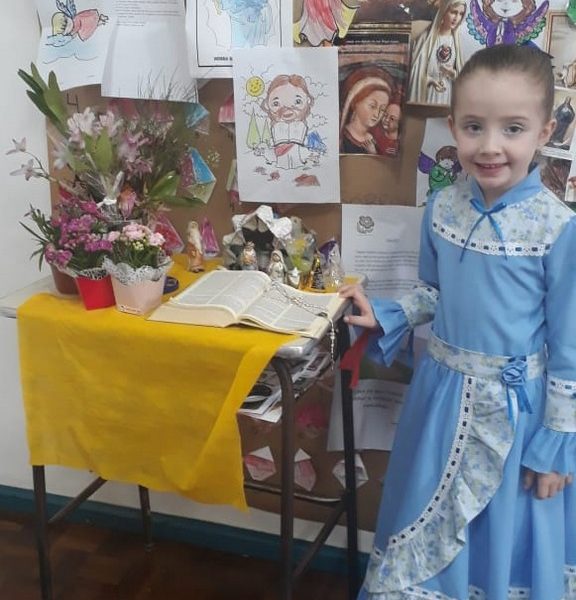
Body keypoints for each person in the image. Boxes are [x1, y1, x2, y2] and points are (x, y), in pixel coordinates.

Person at [340, 44, 576, 599]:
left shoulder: (558, 227)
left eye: (513, 128)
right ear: (453, 127)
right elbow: (433, 292)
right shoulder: (442, 207)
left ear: (544, 132)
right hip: (440, 402)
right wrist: (388, 314)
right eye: (474, 127)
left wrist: (555, 448)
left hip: (517, 417)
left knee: (503, 534)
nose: (490, 146)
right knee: (423, 511)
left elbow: (570, 349)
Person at [407, 0, 466, 106]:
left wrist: (453, 73)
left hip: (447, 96)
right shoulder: (426, 39)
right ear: (443, 11)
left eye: (461, 14)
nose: (457, 18)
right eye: (453, 12)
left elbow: (463, 76)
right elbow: (415, 73)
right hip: (427, 94)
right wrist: (430, 80)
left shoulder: (457, 42)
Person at [340, 66, 394, 155]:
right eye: (372, 106)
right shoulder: (342, 139)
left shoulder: (373, 140)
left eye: (382, 110)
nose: (377, 114)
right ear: (355, 102)